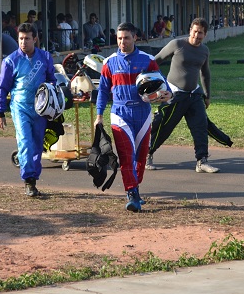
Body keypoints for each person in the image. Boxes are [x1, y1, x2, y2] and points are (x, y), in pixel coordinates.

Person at [94, 22, 171, 212]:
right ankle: (132, 194)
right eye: (119, 38)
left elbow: (162, 83)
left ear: (135, 37)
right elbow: (103, 91)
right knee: (126, 156)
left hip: (143, 115)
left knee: (141, 158)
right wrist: (99, 115)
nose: (122, 42)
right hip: (120, 115)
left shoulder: (147, 60)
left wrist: (167, 94)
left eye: (126, 38)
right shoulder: (109, 62)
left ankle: (135, 187)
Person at [147, 17, 219, 173]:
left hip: (194, 95)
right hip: (174, 94)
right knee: (163, 126)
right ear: (190, 31)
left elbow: (205, 73)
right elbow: (156, 60)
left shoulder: (204, 50)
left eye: (200, 33)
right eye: (194, 32)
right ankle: (147, 153)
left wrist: (207, 95)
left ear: (205, 34)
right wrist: (146, 80)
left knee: (200, 126)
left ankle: (202, 161)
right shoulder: (177, 44)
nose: (196, 36)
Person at [0, 23, 56, 197]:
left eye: (27, 39)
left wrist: (52, 96)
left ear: (35, 39)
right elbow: (2, 88)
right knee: (25, 143)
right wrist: (0, 112)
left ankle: (34, 180)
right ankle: (28, 181)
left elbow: (52, 79)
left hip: (41, 109)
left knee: (37, 145)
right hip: (20, 107)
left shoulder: (45, 57)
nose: (23, 42)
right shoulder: (10, 61)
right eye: (20, 39)